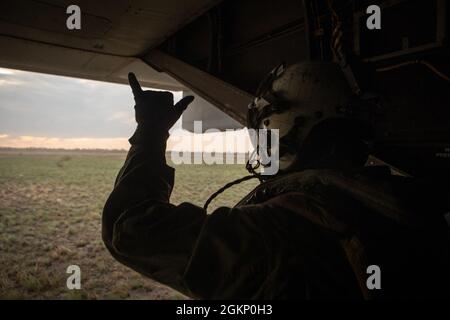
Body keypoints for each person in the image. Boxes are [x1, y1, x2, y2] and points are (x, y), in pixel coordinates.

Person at [102, 62, 449, 299]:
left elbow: (128, 228)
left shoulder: (280, 229)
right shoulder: (411, 206)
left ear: (286, 129)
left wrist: (150, 131)